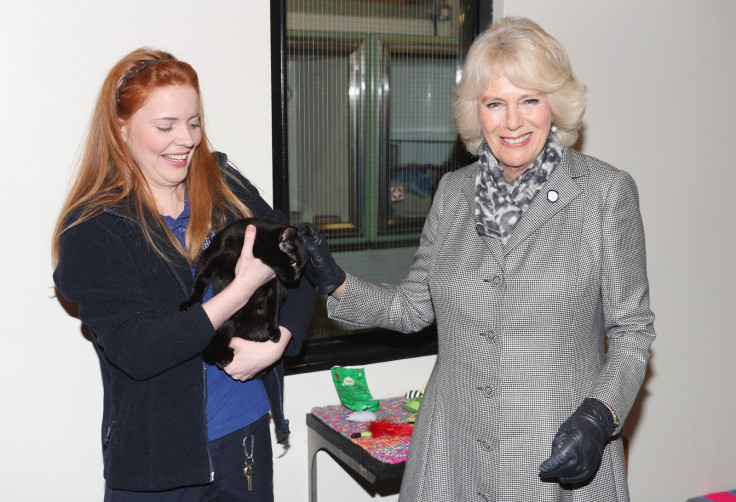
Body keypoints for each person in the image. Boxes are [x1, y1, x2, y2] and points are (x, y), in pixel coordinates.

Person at [297, 17, 655, 502]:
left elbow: (632, 334)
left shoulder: (605, 193)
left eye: (529, 99)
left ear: (556, 104)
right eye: (495, 103)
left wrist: (599, 416)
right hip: (452, 453)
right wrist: (337, 283)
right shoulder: (452, 193)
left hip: (558, 455)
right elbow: (412, 307)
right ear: (475, 111)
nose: (512, 121)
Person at [52, 48, 314, 501]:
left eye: (193, 123)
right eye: (165, 126)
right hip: (159, 464)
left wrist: (282, 339)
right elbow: (139, 349)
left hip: (245, 439)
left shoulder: (226, 189)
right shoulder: (95, 228)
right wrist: (240, 290)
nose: (187, 139)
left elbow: (302, 265)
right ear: (121, 129)